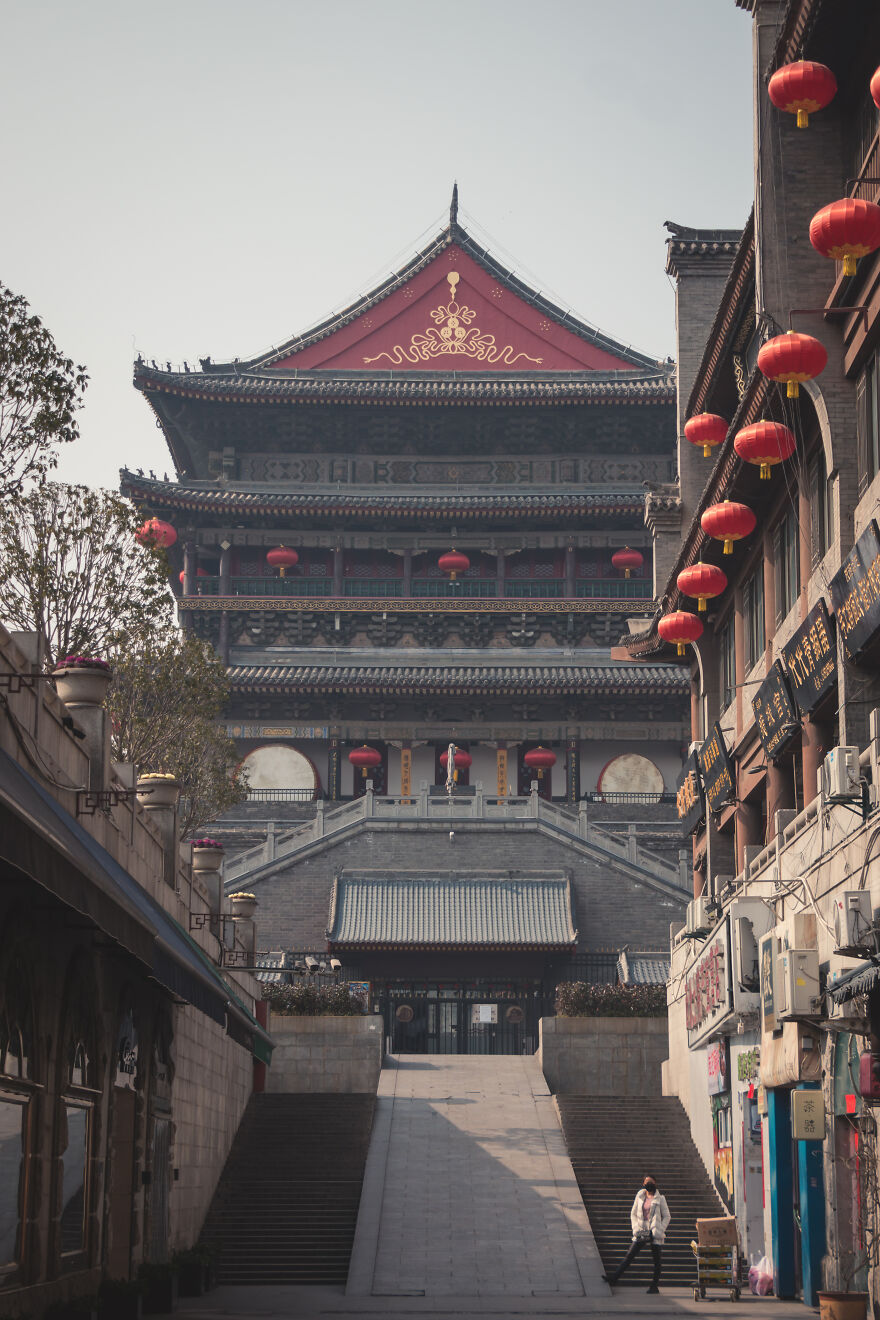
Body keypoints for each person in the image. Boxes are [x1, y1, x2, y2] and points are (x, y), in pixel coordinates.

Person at [601, 1175, 671, 1294]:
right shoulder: (640, 1197)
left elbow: (667, 1216)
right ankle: (614, 1278)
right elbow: (633, 1213)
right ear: (643, 1184)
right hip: (641, 1231)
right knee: (629, 1255)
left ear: (655, 1183)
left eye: (651, 1182)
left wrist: (660, 1229)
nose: (649, 1184)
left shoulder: (660, 1199)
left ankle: (654, 1286)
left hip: (654, 1232)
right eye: (647, 1182)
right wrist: (635, 1228)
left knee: (657, 1261)